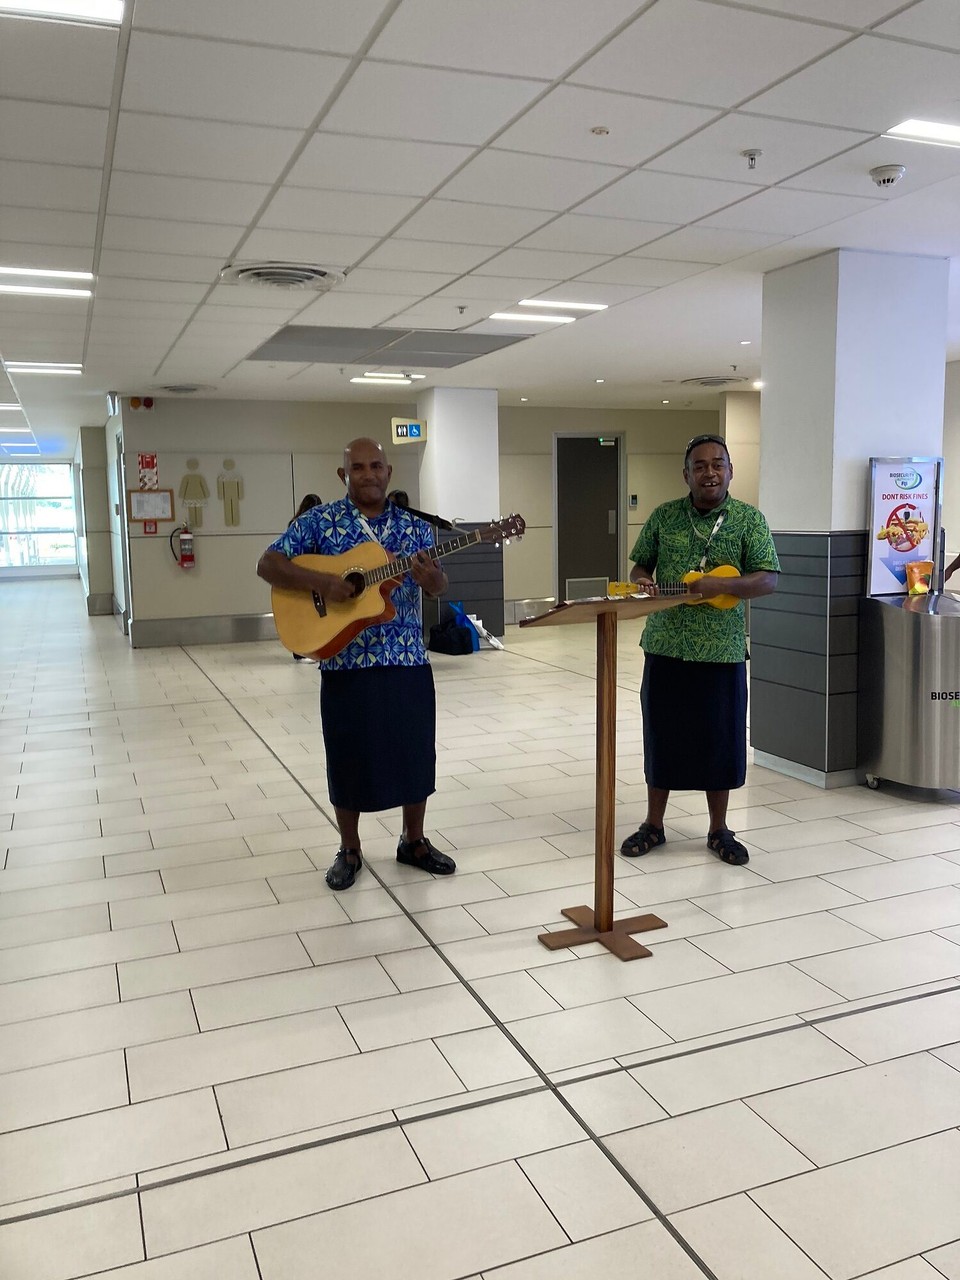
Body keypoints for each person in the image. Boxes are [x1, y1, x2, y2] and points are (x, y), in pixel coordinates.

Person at [256, 438, 455, 891]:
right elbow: (267, 563)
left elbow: (440, 587)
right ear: (343, 475)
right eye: (358, 467)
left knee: (415, 752)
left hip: (406, 659)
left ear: (389, 472)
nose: (368, 474)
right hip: (345, 663)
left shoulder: (414, 528)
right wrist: (324, 582)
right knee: (348, 757)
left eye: (376, 466)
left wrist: (433, 580)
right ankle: (350, 849)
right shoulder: (319, 522)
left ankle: (414, 841)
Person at [621, 433, 779, 866]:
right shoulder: (664, 517)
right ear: (686, 473)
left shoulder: (750, 520)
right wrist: (640, 580)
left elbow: (767, 578)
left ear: (730, 470)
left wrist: (720, 586)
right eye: (701, 465)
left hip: (721, 653)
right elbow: (640, 564)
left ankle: (718, 829)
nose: (710, 472)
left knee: (720, 741)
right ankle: (654, 824)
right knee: (662, 736)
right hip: (666, 646)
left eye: (718, 464)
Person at [288, 494, 324, 660]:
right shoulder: (301, 526)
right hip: (307, 575)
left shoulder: (294, 524)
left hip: (304, 575)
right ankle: (302, 648)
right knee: (307, 614)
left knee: (304, 615)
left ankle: (303, 648)